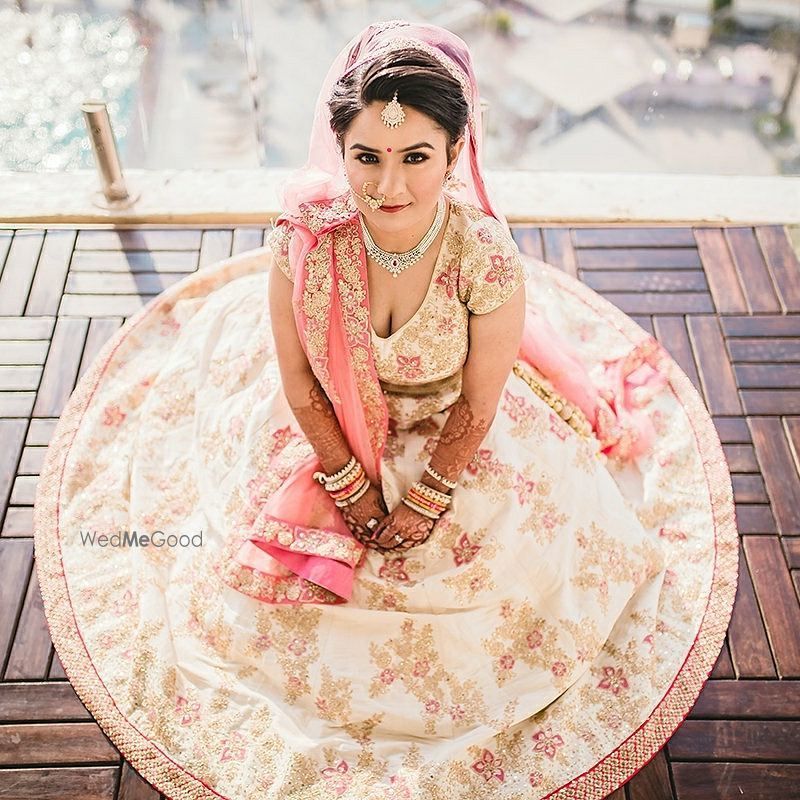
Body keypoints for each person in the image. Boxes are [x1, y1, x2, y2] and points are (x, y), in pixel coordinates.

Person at [34, 19, 738, 800]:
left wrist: (429, 495)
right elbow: (301, 381)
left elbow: (480, 399)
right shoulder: (307, 239)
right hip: (334, 419)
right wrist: (349, 483)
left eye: (415, 158)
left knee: (496, 571)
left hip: (448, 425)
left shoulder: (485, 256)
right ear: (340, 151)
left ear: (453, 153)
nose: (389, 187)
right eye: (366, 158)